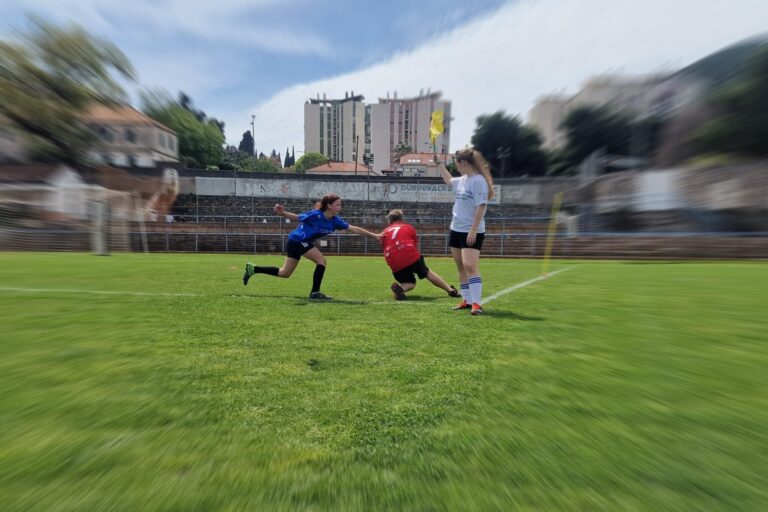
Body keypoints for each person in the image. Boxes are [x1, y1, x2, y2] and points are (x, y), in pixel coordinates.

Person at [242, 193, 380, 300]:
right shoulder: (316, 215)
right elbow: (297, 217)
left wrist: (374, 236)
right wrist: (282, 213)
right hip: (298, 240)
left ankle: (253, 269)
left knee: (285, 273)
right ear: (329, 206)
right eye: (338, 204)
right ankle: (315, 293)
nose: (340, 207)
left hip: (297, 242)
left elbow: (354, 229)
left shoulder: (335, 221)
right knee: (321, 261)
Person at [437, 148, 494, 315]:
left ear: (463, 163)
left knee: (470, 266)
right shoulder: (463, 180)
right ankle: (467, 301)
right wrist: (439, 163)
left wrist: (473, 230)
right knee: (461, 266)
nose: (456, 167)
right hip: (456, 228)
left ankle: (476, 303)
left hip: (471, 231)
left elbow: (481, 206)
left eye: (456, 163)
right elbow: (448, 180)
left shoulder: (478, 181)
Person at [380, 209, 460, 301]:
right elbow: (414, 244)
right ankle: (451, 290)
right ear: (402, 219)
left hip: (393, 262)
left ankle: (400, 289)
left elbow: (384, 246)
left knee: (410, 283)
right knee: (427, 273)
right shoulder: (408, 227)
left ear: (389, 220)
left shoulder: (385, 231)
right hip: (409, 255)